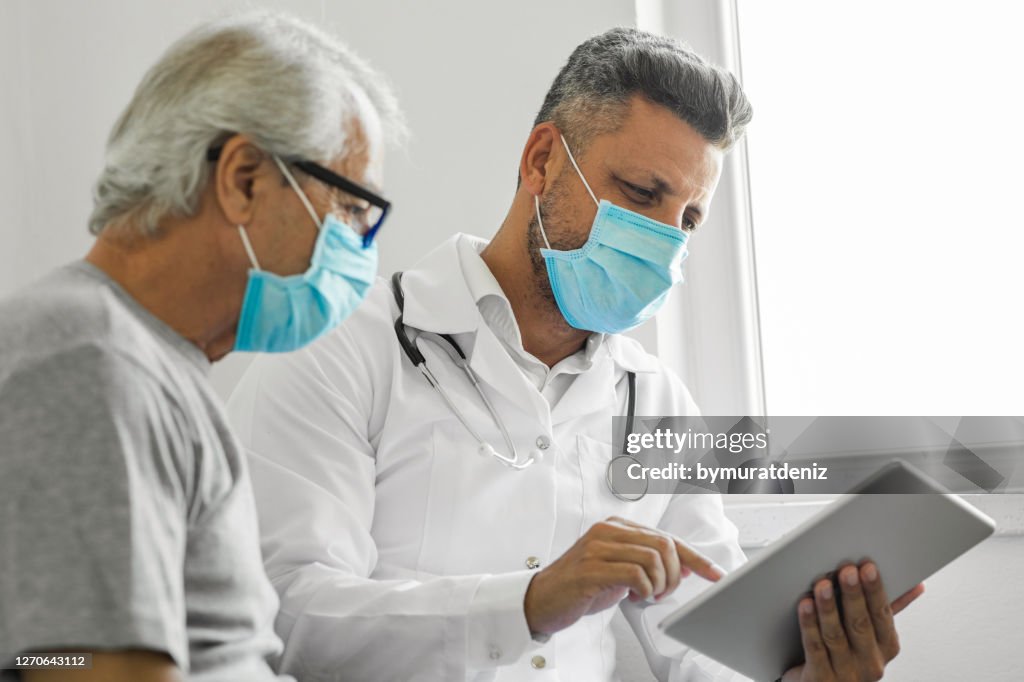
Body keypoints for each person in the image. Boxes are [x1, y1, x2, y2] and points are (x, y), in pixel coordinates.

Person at [227, 28, 922, 681]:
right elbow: (288, 614)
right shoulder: (343, 345)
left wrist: (800, 670)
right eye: (642, 194)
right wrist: (528, 602)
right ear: (541, 161)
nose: (665, 240)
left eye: (687, 218)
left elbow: (702, 645)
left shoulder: (655, 401)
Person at [0, 11, 402, 682]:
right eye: (354, 208)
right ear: (243, 177)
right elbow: (89, 667)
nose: (363, 249)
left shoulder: (147, 365)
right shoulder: (92, 365)